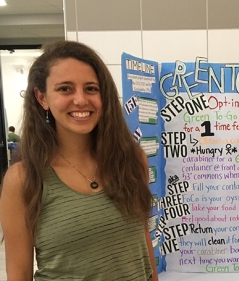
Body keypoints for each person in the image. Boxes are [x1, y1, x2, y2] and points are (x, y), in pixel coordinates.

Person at [0, 41, 159, 281]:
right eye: (65, 89)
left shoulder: (131, 161)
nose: (81, 100)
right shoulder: (23, 179)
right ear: (42, 98)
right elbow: (19, 275)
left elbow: (143, 248)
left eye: (91, 88)